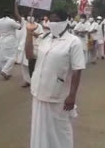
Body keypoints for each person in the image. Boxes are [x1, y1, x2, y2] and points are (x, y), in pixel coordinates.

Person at [25, 8, 86, 148]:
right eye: (51, 20)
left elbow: (78, 70)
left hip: (58, 95)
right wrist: (28, 34)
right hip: (39, 91)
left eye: (57, 20)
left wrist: (72, 96)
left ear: (65, 22)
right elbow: (29, 55)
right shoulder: (44, 38)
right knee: (39, 128)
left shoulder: (73, 42)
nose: (53, 23)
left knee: (60, 130)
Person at [14, 0, 43, 88]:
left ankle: (33, 80)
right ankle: (27, 81)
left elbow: (41, 35)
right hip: (23, 47)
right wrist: (15, 5)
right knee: (23, 65)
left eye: (33, 15)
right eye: (30, 15)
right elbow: (16, 14)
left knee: (31, 65)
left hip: (33, 48)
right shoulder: (24, 23)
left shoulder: (39, 26)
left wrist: (32, 33)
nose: (31, 17)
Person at [0, 9, 21, 80]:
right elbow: (19, 27)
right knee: (12, 57)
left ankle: (7, 74)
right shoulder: (11, 21)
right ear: (9, 14)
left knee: (4, 58)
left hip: (1, 40)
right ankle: (5, 71)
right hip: (10, 41)